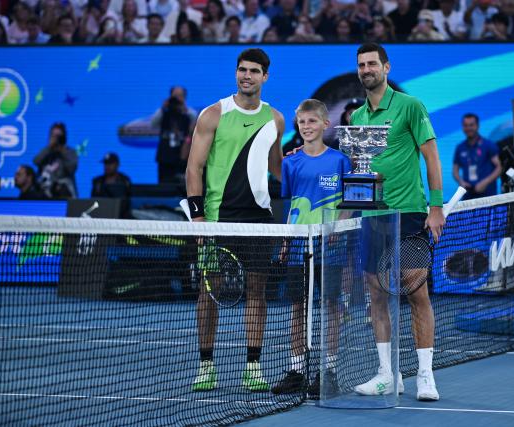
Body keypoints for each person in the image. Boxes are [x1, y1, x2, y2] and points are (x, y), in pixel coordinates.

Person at [350, 42, 445, 401]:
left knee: (415, 289)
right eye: (361, 65)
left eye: (372, 63)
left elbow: (432, 157)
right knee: (376, 293)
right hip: (373, 217)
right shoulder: (357, 119)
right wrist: (361, 186)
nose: (366, 69)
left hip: (409, 213)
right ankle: (387, 374)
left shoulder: (410, 106)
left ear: (386, 68)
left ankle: (425, 375)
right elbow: (363, 171)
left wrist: (435, 207)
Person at [186, 48, 284, 392]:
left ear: (265, 77)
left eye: (254, 71)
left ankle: (253, 367)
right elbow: (193, 168)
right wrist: (198, 218)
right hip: (217, 219)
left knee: (257, 293)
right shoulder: (213, 114)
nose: (246, 76)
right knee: (207, 292)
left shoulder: (276, 119)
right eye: (242, 70)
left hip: (259, 220)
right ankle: (205, 365)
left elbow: (277, 170)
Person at [271, 99, 351, 397]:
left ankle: (328, 372)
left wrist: (338, 227)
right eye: (302, 122)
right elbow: (291, 204)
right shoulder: (290, 162)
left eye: (312, 121)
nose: (306, 127)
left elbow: (349, 202)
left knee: (330, 306)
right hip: (298, 244)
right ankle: (296, 370)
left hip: (330, 245)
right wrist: (285, 240)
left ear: (324, 124)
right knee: (297, 307)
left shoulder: (341, 161)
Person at [152, 86, 197, 183]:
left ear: (184, 97)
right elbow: (153, 123)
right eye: (174, 96)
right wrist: (163, 107)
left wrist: (183, 108)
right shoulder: (164, 112)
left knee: (182, 186)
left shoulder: (188, 113)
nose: (177, 98)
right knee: (164, 186)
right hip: (164, 157)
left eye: (179, 96)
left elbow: (195, 121)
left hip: (182, 156)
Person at [452, 113, 502, 200]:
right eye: (465, 125)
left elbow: (499, 168)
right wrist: (461, 182)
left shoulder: (488, 145)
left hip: (487, 195)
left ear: (477, 126)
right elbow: (455, 170)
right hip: (468, 196)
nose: (468, 128)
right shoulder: (460, 147)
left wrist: (485, 182)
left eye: (471, 125)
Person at [33, 122, 78, 199]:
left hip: (64, 193)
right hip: (45, 192)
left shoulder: (70, 152)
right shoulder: (47, 151)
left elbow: (72, 168)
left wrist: (62, 150)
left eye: (58, 136)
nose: (55, 139)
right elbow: (36, 161)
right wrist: (49, 147)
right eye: (53, 135)